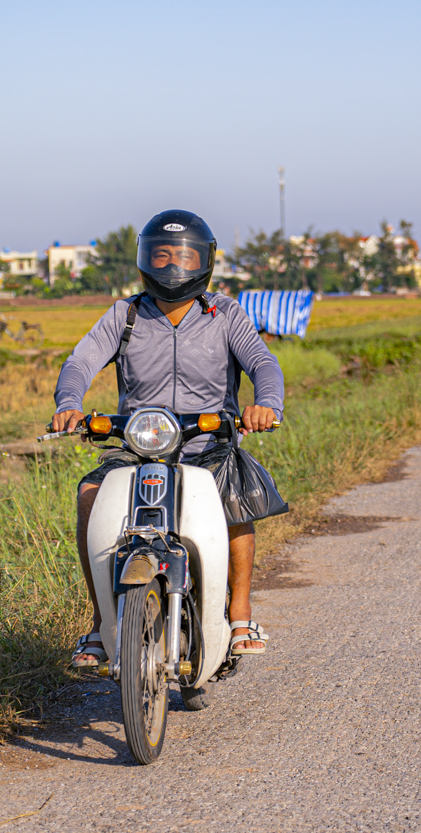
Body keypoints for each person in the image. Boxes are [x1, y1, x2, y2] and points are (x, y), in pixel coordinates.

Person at [48, 210, 285, 670]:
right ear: (145, 261)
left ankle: (239, 617)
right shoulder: (127, 314)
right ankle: (99, 624)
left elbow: (262, 363)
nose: (173, 266)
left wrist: (267, 403)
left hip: (207, 443)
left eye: (183, 256)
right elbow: (79, 363)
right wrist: (68, 404)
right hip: (139, 445)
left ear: (203, 260)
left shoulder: (225, 314)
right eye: (162, 255)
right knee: (90, 495)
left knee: (232, 498)